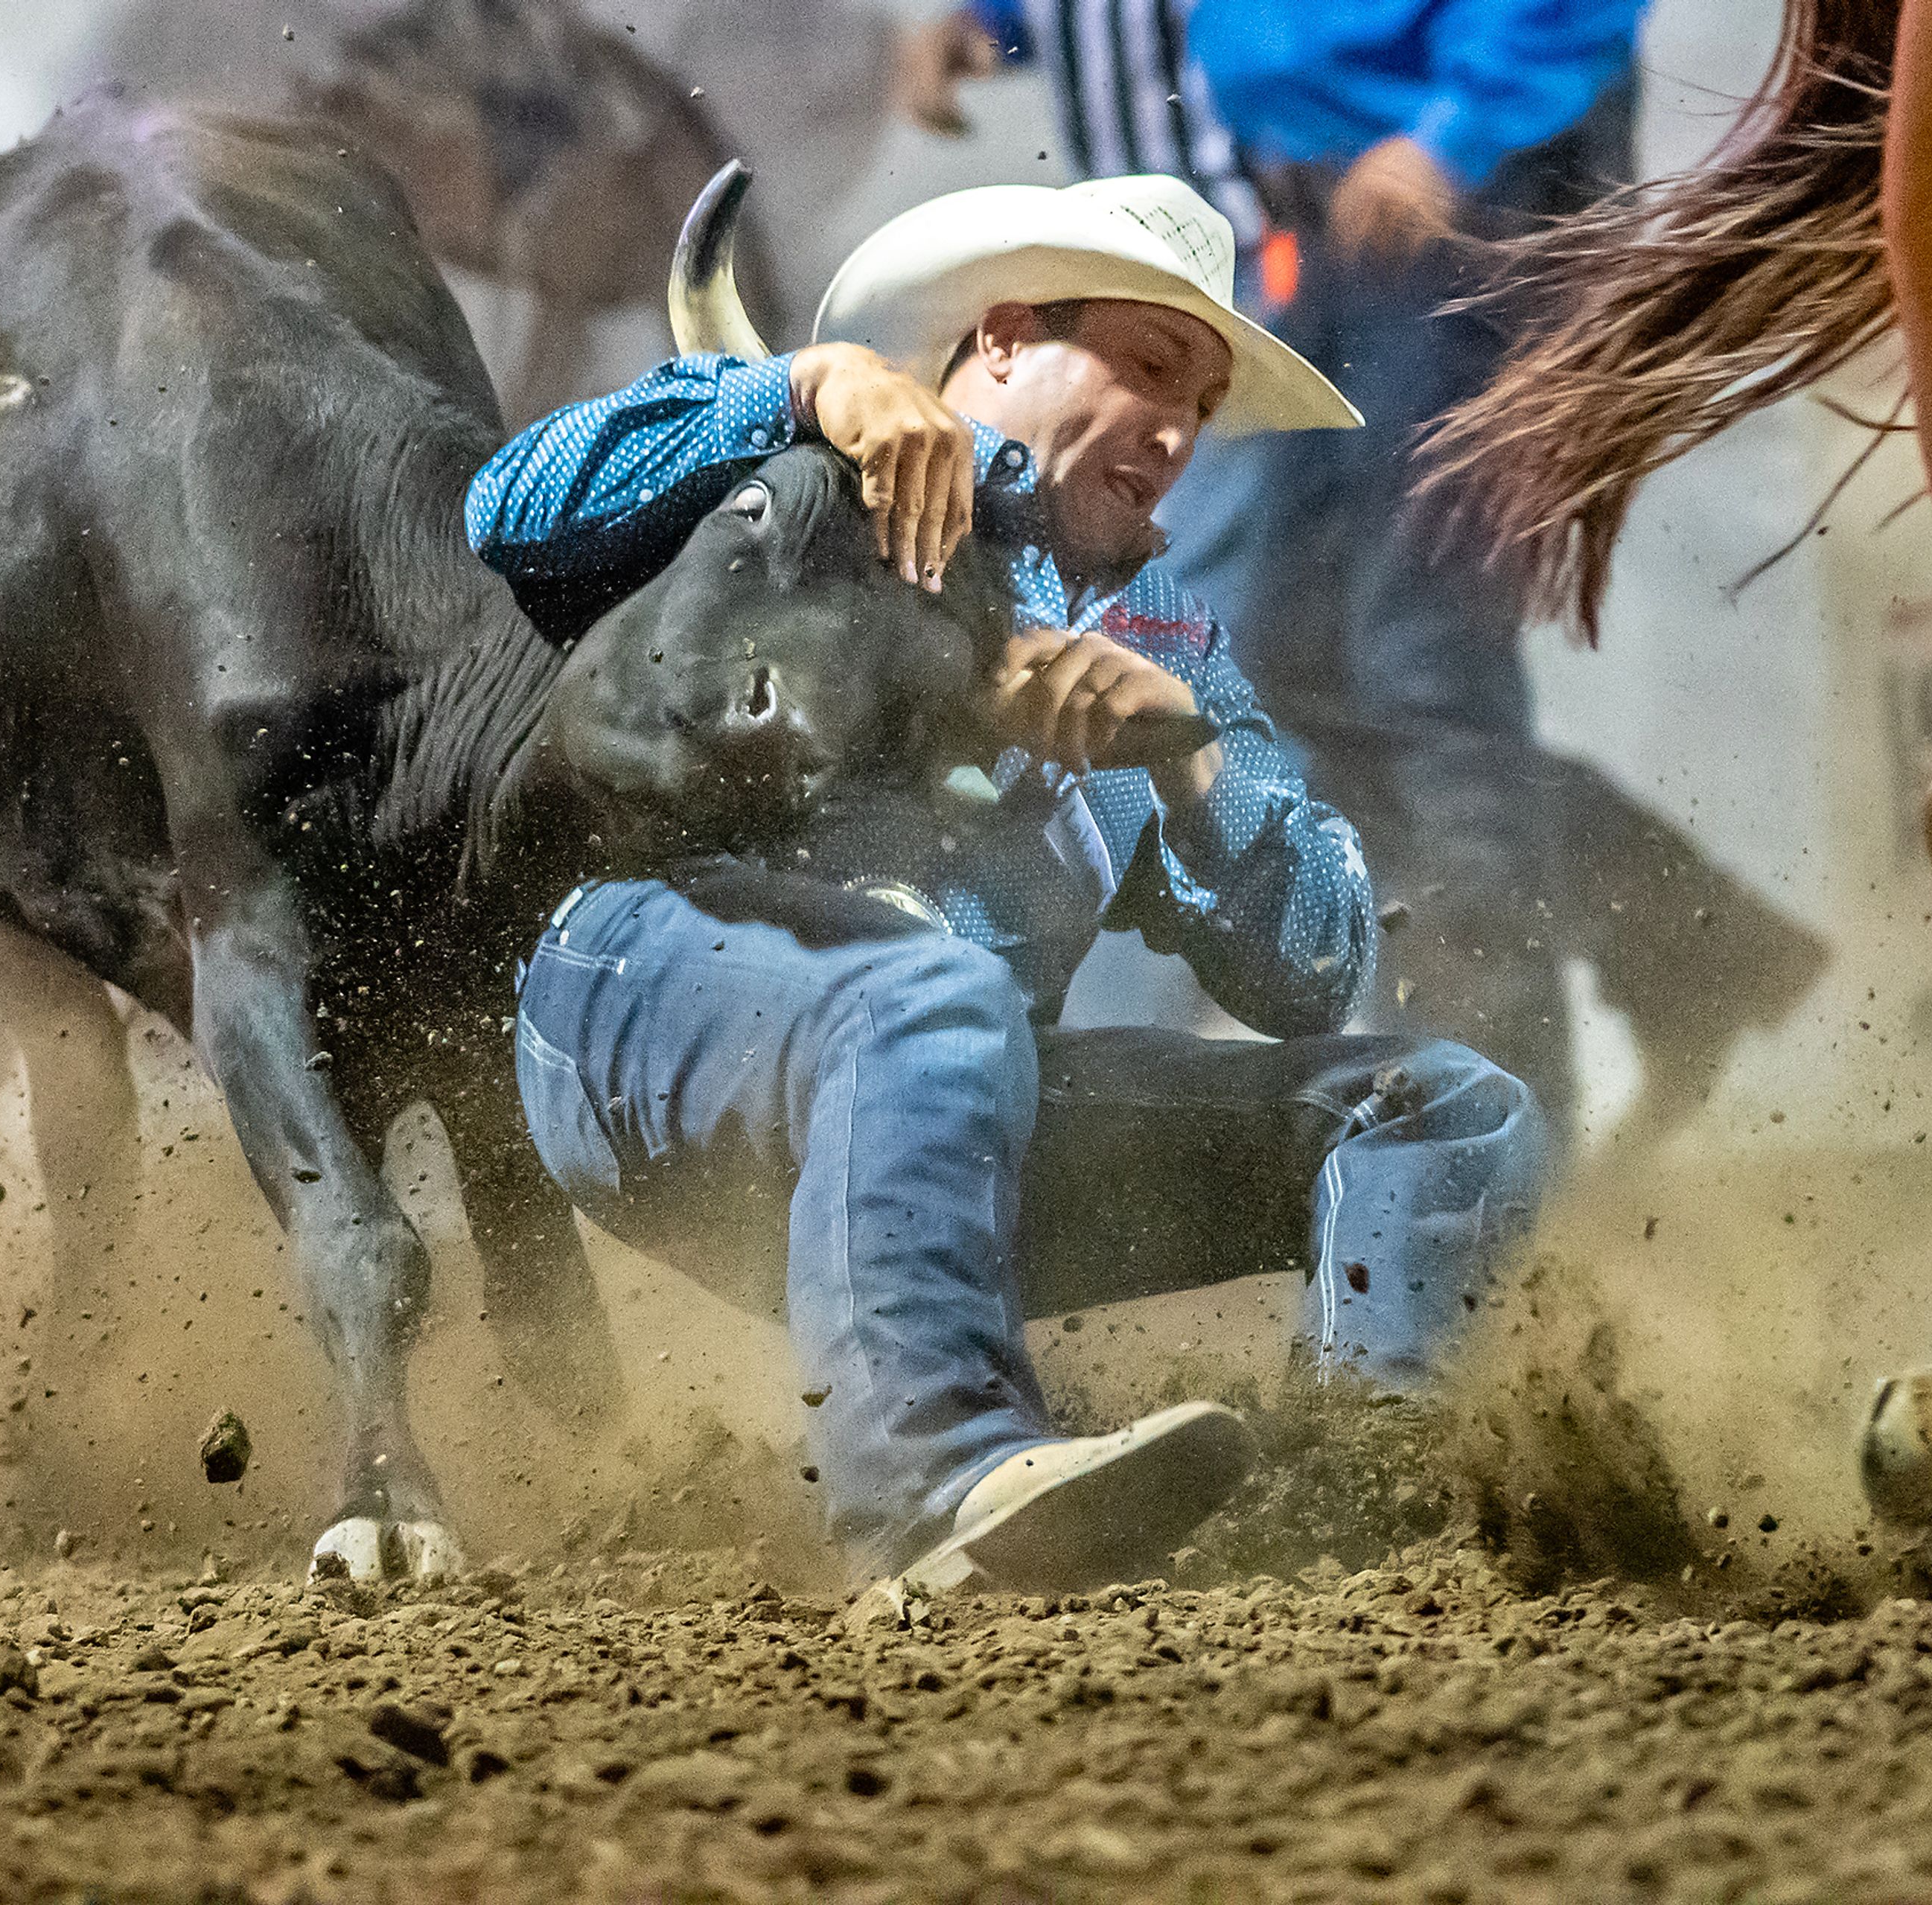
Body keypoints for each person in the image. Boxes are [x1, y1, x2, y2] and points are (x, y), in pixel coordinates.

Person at [466, 176, 1546, 1591]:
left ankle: (1358, 1496)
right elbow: (508, 510)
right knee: (941, 998)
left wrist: (1192, 777)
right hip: (635, 995)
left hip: (947, 1114)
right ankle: (934, 1482)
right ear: (999, 343)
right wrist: (805, 386)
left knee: (1446, 1109)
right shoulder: (822, 473)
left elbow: (1317, 976)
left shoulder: (1173, 650)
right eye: (1151, 367)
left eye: (1202, 405)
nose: (1174, 431)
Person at [900, 0, 1829, 1146]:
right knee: (1293, 674)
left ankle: (1495, 1128)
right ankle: (1671, 960)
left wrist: (1454, 131)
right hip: (1341, 205)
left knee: (1408, 671)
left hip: (1456, 194)